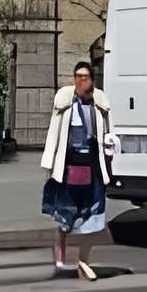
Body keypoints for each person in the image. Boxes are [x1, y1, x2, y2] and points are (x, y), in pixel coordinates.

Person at [41, 60, 116, 278]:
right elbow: (54, 133)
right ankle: (60, 251)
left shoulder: (99, 104)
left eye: (85, 77)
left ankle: (83, 261)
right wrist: (48, 162)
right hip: (69, 169)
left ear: (92, 80)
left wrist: (111, 147)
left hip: (92, 169)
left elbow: (107, 133)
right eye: (78, 76)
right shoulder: (65, 104)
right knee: (66, 218)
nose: (81, 81)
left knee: (92, 218)